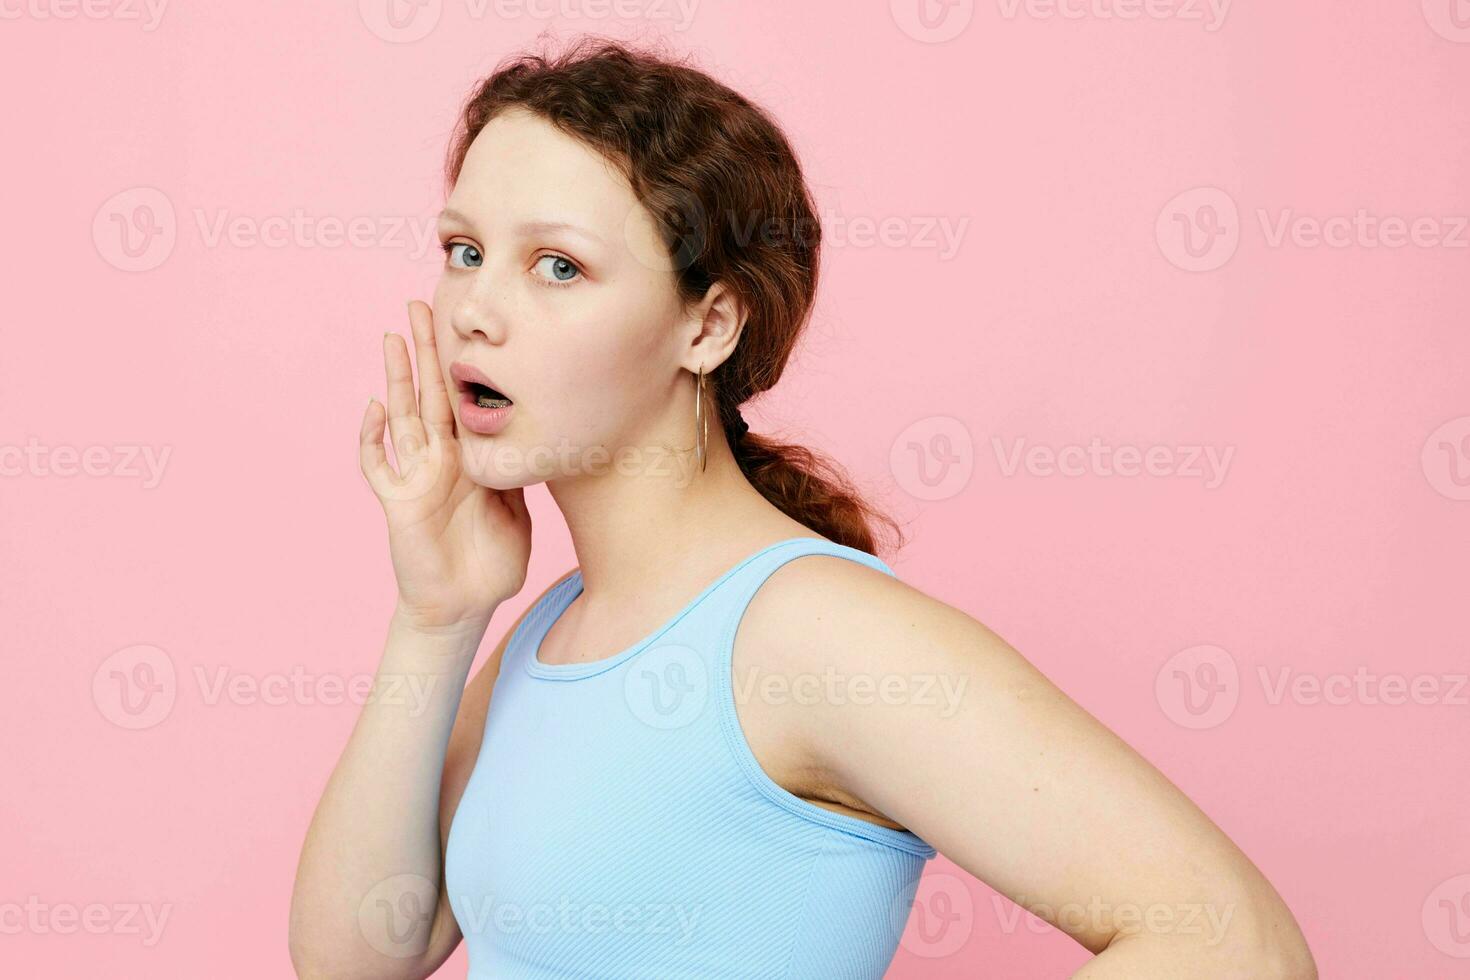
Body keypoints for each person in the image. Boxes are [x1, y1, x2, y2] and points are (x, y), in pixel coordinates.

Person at [288, 36, 1316, 980]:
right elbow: (362, 953)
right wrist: (437, 616)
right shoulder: (554, 626)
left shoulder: (809, 630)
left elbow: (1234, 940)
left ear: (710, 324)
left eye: (559, 265)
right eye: (465, 250)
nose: (474, 307)